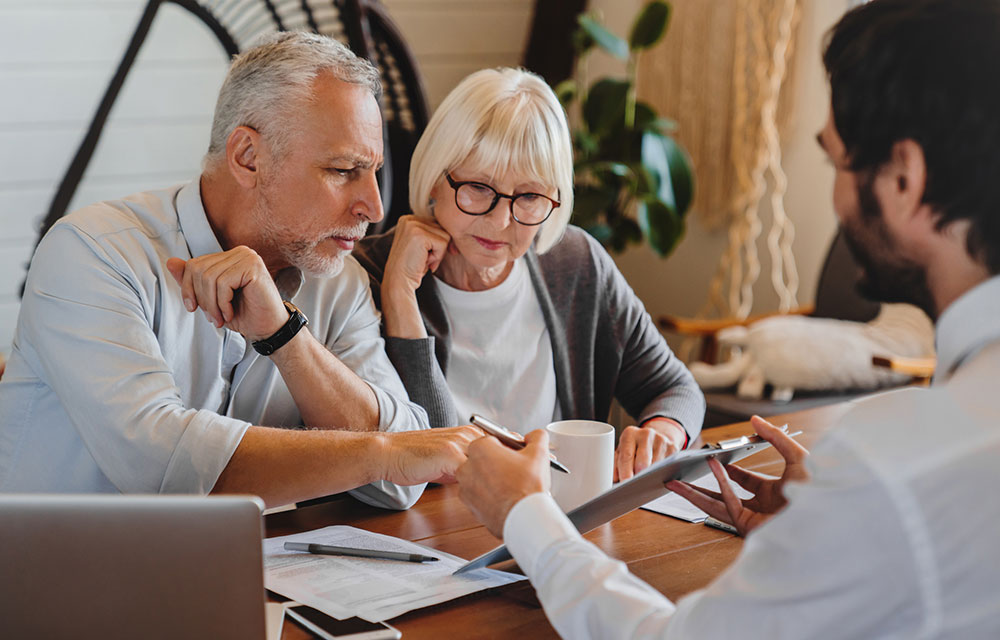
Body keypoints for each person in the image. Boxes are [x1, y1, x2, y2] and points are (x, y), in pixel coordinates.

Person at [455, 0, 1000, 636]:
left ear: (903, 177)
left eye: (835, 161)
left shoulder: (899, 464)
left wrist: (526, 517)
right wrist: (822, 536)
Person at [0, 32, 481, 509]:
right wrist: (379, 453)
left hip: (246, 575)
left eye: (372, 171)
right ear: (248, 157)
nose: (373, 207)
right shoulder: (92, 253)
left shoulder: (340, 282)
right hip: (57, 578)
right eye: (342, 170)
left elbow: (402, 484)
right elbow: (160, 468)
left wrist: (286, 336)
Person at [354, 68, 705, 481]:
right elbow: (420, 456)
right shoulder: (368, 274)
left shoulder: (574, 263)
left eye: (530, 196)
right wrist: (399, 297)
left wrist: (663, 431)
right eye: (479, 187)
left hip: (556, 521)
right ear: (434, 178)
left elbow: (676, 390)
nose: (501, 220)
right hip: (431, 532)